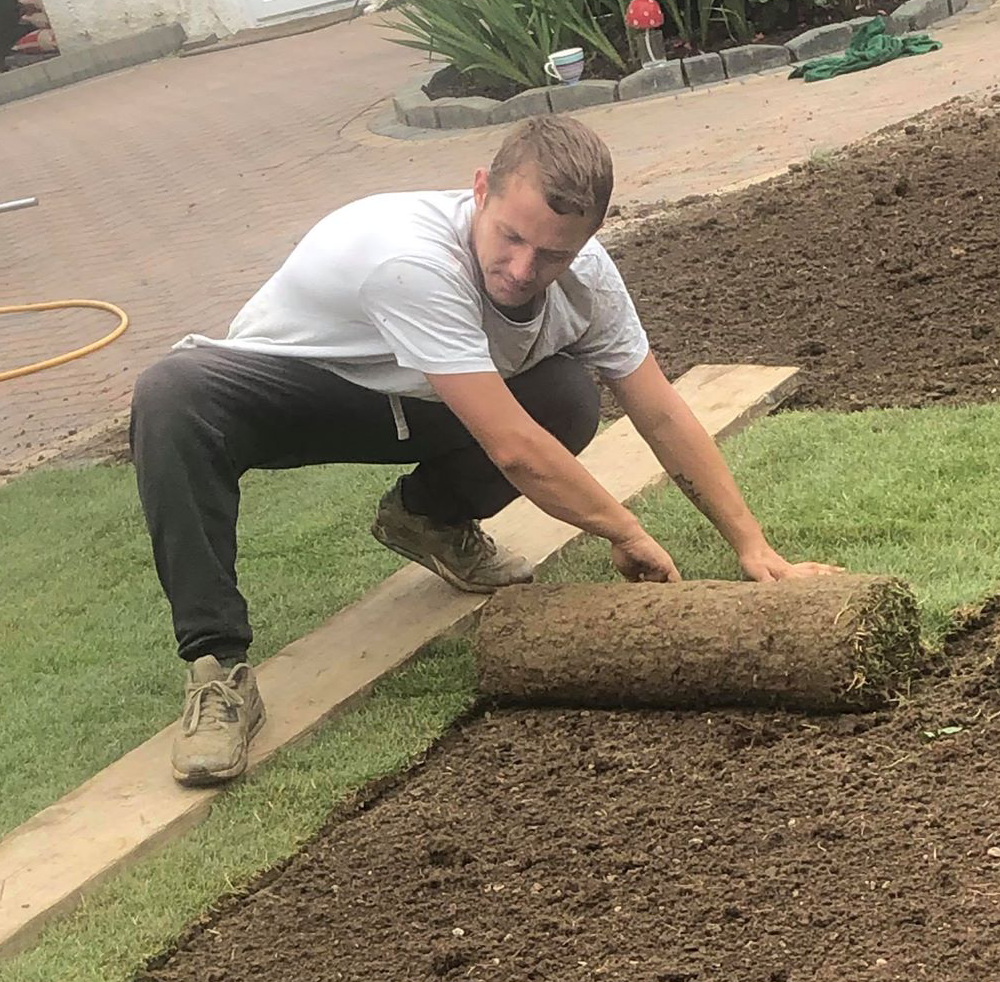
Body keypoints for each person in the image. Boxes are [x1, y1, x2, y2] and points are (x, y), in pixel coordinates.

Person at [131, 114, 839, 788]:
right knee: (173, 394)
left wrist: (754, 547)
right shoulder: (409, 258)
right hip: (305, 392)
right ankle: (216, 669)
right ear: (479, 190)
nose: (524, 268)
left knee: (564, 393)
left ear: (589, 237)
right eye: (510, 237)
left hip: (424, 397)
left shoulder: (588, 280)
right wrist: (623, 530)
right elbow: (513, 449)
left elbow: (657, 407)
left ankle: (428, 519)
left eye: (554, 253)